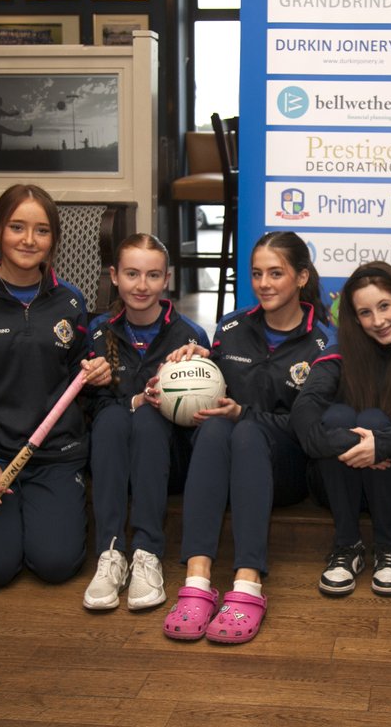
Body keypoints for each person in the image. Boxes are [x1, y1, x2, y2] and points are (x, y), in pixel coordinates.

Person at [162, 231, 335, 644]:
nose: (264, 283)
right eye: (257, 273)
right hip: (229, 462)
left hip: (286, 469)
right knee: (219, 426)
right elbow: (214, 392)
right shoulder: (231, 328)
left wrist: (246, 414)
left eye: (276, 273)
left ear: (301, 277)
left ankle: (247, 583)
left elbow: (309, 429)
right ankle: (198, 580)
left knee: (247, 431)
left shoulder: (324, 342)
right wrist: (190, 373)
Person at [0, 184, 111, 589]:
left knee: (56, 564)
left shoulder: (70, 301)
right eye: (17, 227)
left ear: (54, 240)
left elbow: (78, 373)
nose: (29, 240)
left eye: (42, 230)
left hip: (54, 456)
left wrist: (95, 373)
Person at [82, 234, 210, 611]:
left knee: (151, 421)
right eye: (132, 274)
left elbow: (205, 411)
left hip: (169, 462)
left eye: (153, 275)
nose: (142, 285)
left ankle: (147, 551)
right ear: (114, 276)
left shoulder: (190, 335)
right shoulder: (97, 331)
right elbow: (93, 404)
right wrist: (135, 399)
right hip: (115, 456)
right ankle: (111, 553)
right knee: (111, 420)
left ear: (166, 279)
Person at [290, 262, 391, 598]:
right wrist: (358, 446)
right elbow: (303, 412)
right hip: (338, 485)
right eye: (365, 313)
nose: (378, 321)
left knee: (374, 421)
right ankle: (346, 546)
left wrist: (383, 445)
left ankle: (388, 547)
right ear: (353, 318)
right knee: (337, 415)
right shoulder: (339, 353)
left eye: (384, 306)